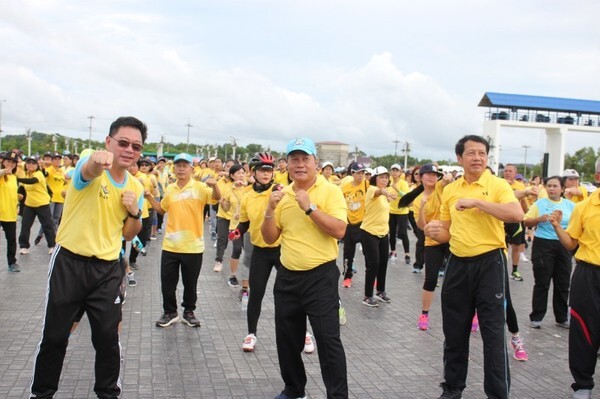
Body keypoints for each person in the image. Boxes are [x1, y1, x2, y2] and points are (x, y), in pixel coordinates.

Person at [29, 116, 146, 399]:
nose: (129, 150)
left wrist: (134, 211)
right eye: (123, 143)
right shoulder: (89, 166)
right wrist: (96, 160)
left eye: (136, 146)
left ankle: (108, 393)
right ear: (108, 142)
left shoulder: (136, 187)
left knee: (108, 339)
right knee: (56, 336)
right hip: (69, 263)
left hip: (107, 270)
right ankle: (42, 394)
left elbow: (130, 234)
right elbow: (89, 170)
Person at [425, 135, 524, 399]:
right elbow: (447, 230)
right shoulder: (450, 189)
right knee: (454, 331)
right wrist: (436, 231)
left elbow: (516, 215)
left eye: (482, 153)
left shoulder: (497, 185)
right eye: (471, 153)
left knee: (493, 334)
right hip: (457, 264)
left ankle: (498, 393)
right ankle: (453, 387)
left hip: (490, 263)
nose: (477, 158)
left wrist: (479, 202)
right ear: (459, 158)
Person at [262, 137, 348, 399]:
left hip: (320, 277)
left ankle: (337, 396)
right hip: (287, 277)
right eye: (294, 159)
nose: (300, 164)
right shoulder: (282, 194)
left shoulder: (330, 191)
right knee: (287, 341)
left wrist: (310, 207)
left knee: (328, 341)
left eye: (305, 159)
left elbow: (339, 230)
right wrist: (269, 209)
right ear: (286, 164)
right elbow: (269, 237)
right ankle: (294, 389)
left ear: (316, 163)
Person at [146, 153, 220, 328]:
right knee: (168, 283)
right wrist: (149, 197)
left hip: (193, 246)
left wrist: (215, 185)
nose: (180, 169)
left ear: (191, 169)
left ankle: (189, 312)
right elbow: (162, 209)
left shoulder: (201, 188)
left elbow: (216, 198)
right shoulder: (171, 189)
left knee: (190, 283)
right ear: (174, 169)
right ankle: (170, 312)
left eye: (184, 165)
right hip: (170, 245)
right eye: (178, 166)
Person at [549, 157, 600, 399]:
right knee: (583, 329)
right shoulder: (584, 207)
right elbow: (572, 243)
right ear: (598, 177)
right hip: (588, 274)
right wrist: (558, 227)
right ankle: (582, 385)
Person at [233, 152, 282, 352]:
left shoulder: (280, 192)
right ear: (253, 172)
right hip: (260, 251)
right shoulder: (247, 195)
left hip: (282, 250)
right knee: (256, 294)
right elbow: (245, 221)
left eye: (269, 170)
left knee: (290, 294)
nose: (266, 173)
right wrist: (237, 231)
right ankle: (251, 334)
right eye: (262, 170)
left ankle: (304, 333)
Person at [524, 176, 574, 329]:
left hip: (563, 244)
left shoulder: (571, 205)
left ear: (562, 189)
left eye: (555, 186)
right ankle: (537, 316)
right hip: (543, 245)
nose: (552, 189)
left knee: (563, 282)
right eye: (549, 186)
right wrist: (539, 219)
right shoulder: (540, 204)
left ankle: (561, 317)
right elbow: (526, 221)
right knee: (542, 281)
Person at [413, 164, 453, 330]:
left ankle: (471, 313)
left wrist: (447, 179)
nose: (431, 177)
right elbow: (422, 226)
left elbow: (446, 182)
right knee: (430, 279)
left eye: (434, 175)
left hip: (452, 238)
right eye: (427, 174)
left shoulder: (441, 188)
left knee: (457, 279)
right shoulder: (417, 199)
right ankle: (424, 314)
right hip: (432, 242)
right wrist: (422, 206)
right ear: (420, 177)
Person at [360, 166, 397, 306]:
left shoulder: (385, 196)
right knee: (373, 263)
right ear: (375, 178)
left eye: (386, 177)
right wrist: (385, 192)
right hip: (369, 232)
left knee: (383, 263)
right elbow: (378, 192)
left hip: (383, 233)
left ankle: (380, 291)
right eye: (381, 177)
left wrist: (389, 195)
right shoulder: (371, 190)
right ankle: (367, 295)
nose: (384, 180)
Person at [18, 156, 56, 255]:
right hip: (29, 204)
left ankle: (52, 245)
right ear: (26, 165)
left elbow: (32, 181)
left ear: (37, 165)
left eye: (33, 163)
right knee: (25, 225)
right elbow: (21, 189)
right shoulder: (26, 174)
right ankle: (24, 246)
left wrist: (17, 179)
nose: (30, 165)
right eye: (28, 163)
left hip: (42, 203)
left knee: (47, 225)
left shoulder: (39, 174)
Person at [340, 162, 368, 288]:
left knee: (368, 252)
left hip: (364, 223)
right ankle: (347, 276)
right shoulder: (345, 188)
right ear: (352, 173)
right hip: (349, 224)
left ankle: (371, 277)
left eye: (363, 173)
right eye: (358, 173)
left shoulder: (367, 185)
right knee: (348, 253)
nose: (361, 176)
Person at [0, 151, 21, 272]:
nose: (11, 164)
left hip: (10, 213)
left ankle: (12, 262)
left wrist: (17, 201)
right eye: (8, 161)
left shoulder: (14, 178)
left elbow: (11, 193)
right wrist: (4, 171)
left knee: (11, 240)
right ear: (3, 161)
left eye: (13, 162)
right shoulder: (3, 175)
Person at [388, 164, 411, 264]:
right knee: (392, 233)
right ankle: (393, 251)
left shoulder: (403, 183)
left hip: (402, 211)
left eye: (396, 171)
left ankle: (407, 253)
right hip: (391, 211)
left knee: (402, 232)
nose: (394, 172)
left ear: (400, 172)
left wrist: (397, 189)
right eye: (393, 170)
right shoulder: (389, 182)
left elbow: (406, 196)